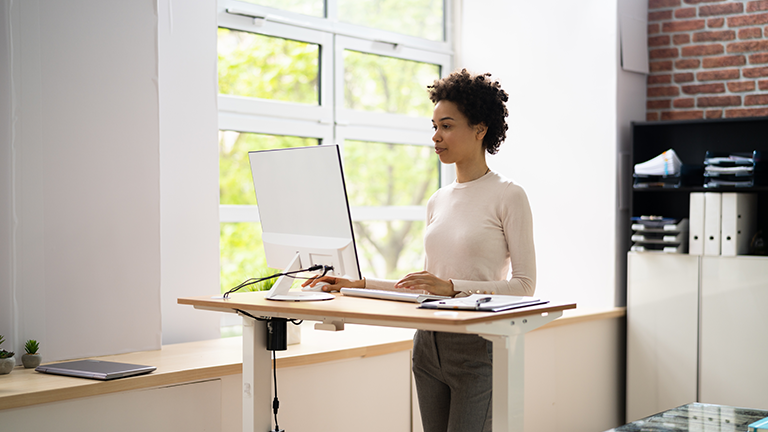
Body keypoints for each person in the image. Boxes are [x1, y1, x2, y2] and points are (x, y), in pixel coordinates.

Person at [303, 69, 536, 432]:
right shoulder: (437, 200)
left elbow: (524, 287)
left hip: (476, 350)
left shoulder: (509, 195)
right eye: (434, 126)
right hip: (427, 347)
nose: (436, 137)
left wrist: (453, 287)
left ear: (480, 128)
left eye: (446, 126)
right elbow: (423, 286)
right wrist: (356, 284)